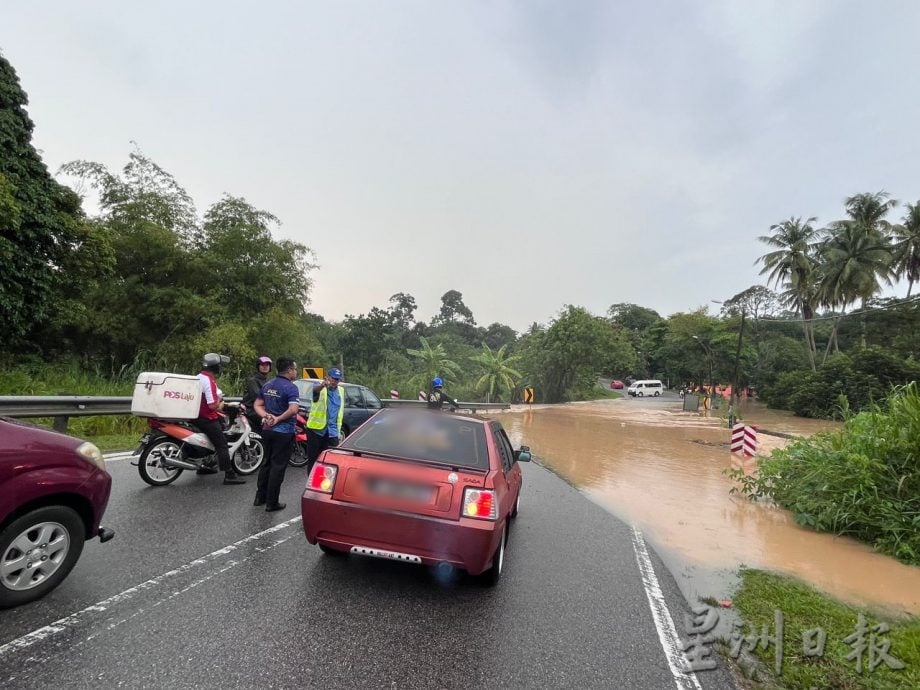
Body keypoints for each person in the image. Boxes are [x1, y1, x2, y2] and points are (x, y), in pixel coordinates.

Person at [253, 357, 300, 512]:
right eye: (295, 369)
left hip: (267, 430)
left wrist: (266, 416)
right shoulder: (291, 388)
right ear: (289, 370)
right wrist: (278, 418)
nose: (296, 372)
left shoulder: (268, 384)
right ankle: (272, 502)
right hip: (283, 432)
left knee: (266, 463)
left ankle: (260, 497)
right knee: (277, 466)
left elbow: (257, 404)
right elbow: (293, 409)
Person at [196, 353, 246, 485]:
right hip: (207, 417)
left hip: (196, 416)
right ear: (216, 367)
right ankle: (229, 475)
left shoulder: (198, 377)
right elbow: (212, 405)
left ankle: (206, 465)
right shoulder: (209, 381)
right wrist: (222, 401)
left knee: (214, 436)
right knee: (222, 444)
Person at [305, 368, 345, 473]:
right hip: (316, 430)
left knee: (330, 461)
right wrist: (323, 385)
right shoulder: (320, 387)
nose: (335, 381)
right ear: (328, 377)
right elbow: (314, 391)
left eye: (337, 379)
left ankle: (324, 484)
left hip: (332, 431)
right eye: (333, 379)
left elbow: (340, 411)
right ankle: (311, 484)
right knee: (313, 460)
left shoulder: (341, 390)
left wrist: (338, 432)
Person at [242, 355, 272, 431]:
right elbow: (257, 396)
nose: (265, 367)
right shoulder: (252, 381)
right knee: (269, 422)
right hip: (252, 410)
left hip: (264, 409)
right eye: (262, 365)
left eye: (267, 365)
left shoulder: (269, 381)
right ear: (258, 366)